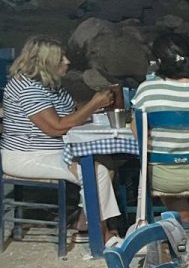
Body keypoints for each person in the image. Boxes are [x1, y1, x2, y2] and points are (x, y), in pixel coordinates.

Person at [0, 34, 121, 246]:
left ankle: (86, 222)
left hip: (53, 151)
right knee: (96, 171)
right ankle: (101, 236)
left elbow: (73, 112)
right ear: (44, 62)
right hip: (27, 155)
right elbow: (55, 127)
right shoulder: (27, 88)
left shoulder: (51, 85)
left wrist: (100, 105)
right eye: (61, 58)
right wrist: (93, 104)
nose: (67, 61)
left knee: (107, 162)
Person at [130, 33, 189, 223]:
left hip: (163, 176)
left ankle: (181, 225)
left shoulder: (148, 89)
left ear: (158, 61)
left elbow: (138, 133)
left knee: (176, 195)